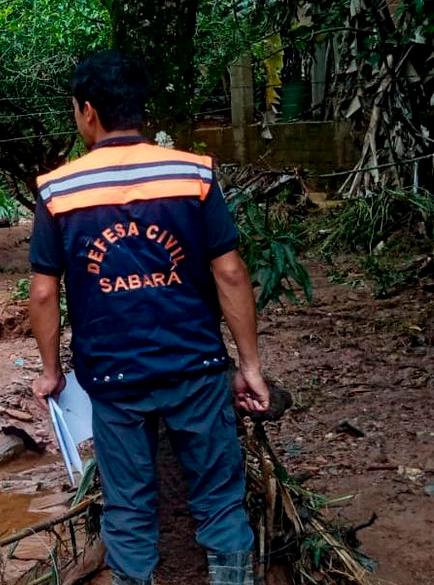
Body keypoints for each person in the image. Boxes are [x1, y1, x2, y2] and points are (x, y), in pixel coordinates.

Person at [26, 50, 270, 585]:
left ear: (87, 111)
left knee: (130, 512)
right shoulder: (192, 173)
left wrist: (50, 373)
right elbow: (229, 273)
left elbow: (45, 292)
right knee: (221, 504)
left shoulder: (59, 190)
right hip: (196, 367)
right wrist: (249, 365)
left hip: (114, 378)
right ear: (139, 107)